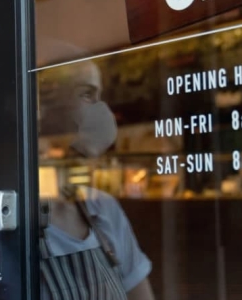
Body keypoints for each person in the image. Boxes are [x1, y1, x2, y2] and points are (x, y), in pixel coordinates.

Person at [37, 38, 156, 300]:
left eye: (99, 97)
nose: (101, 111)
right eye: (87, 94)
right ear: (44, 107)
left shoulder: (104, 209)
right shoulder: (14, 218)